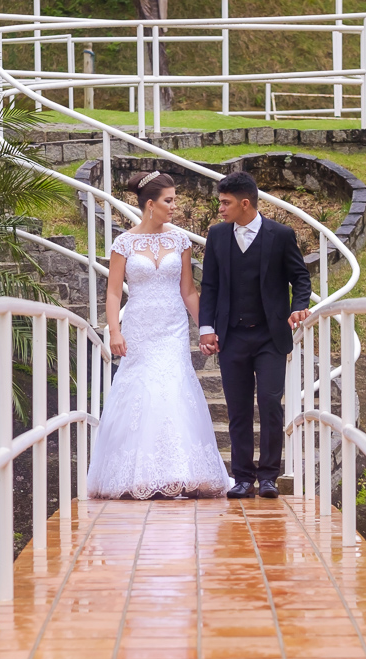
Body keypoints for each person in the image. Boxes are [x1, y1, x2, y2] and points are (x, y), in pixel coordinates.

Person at [86, 170, 231, 499]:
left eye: (175, 200)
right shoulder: (124, 243)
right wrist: (114, 331)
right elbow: (112, 294)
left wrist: (206, 329)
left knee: (173, 385)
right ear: (150, 204)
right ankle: (138, 473)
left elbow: (189, 291)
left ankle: (181, 471)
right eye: (169, 200)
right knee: (141, 390)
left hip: (172, 326)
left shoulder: (180, 240)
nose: (174, 206)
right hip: (139, 326)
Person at [198, 172, 312, 500]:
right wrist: (207, 327)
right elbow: (210, 286)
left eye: (225, 202)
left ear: (244, 203)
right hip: (232, 337)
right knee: (238, 409)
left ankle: (268, 477)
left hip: (269, 337)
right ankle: (243, 477)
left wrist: (298, 306)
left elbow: (300, 278)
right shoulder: (217, 236)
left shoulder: (280, 235)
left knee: (270, 404)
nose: (220, 208)